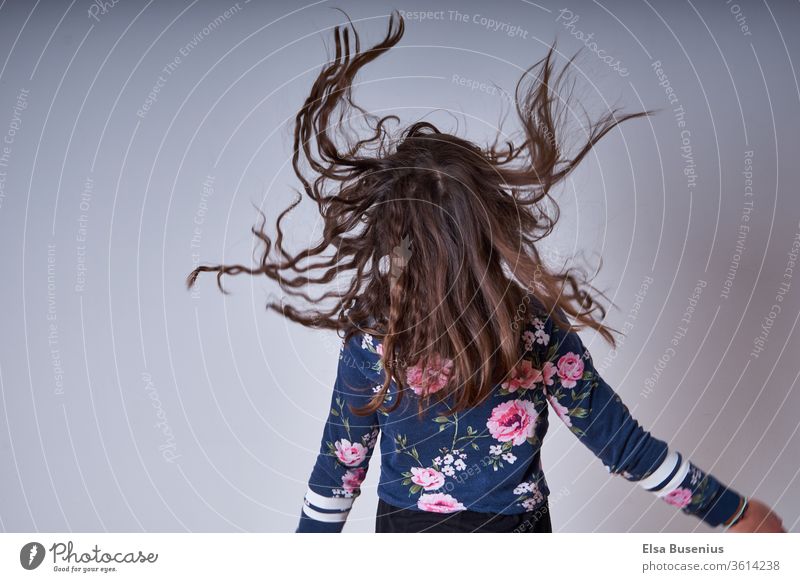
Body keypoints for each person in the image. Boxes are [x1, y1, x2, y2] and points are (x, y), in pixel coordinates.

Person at [186, 10, 785, 534]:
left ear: (391, 230)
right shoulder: (536, 326)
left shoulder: (376, 332)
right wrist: (734, 513)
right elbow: (620, 445)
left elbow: (341, 465)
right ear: (490, 225)